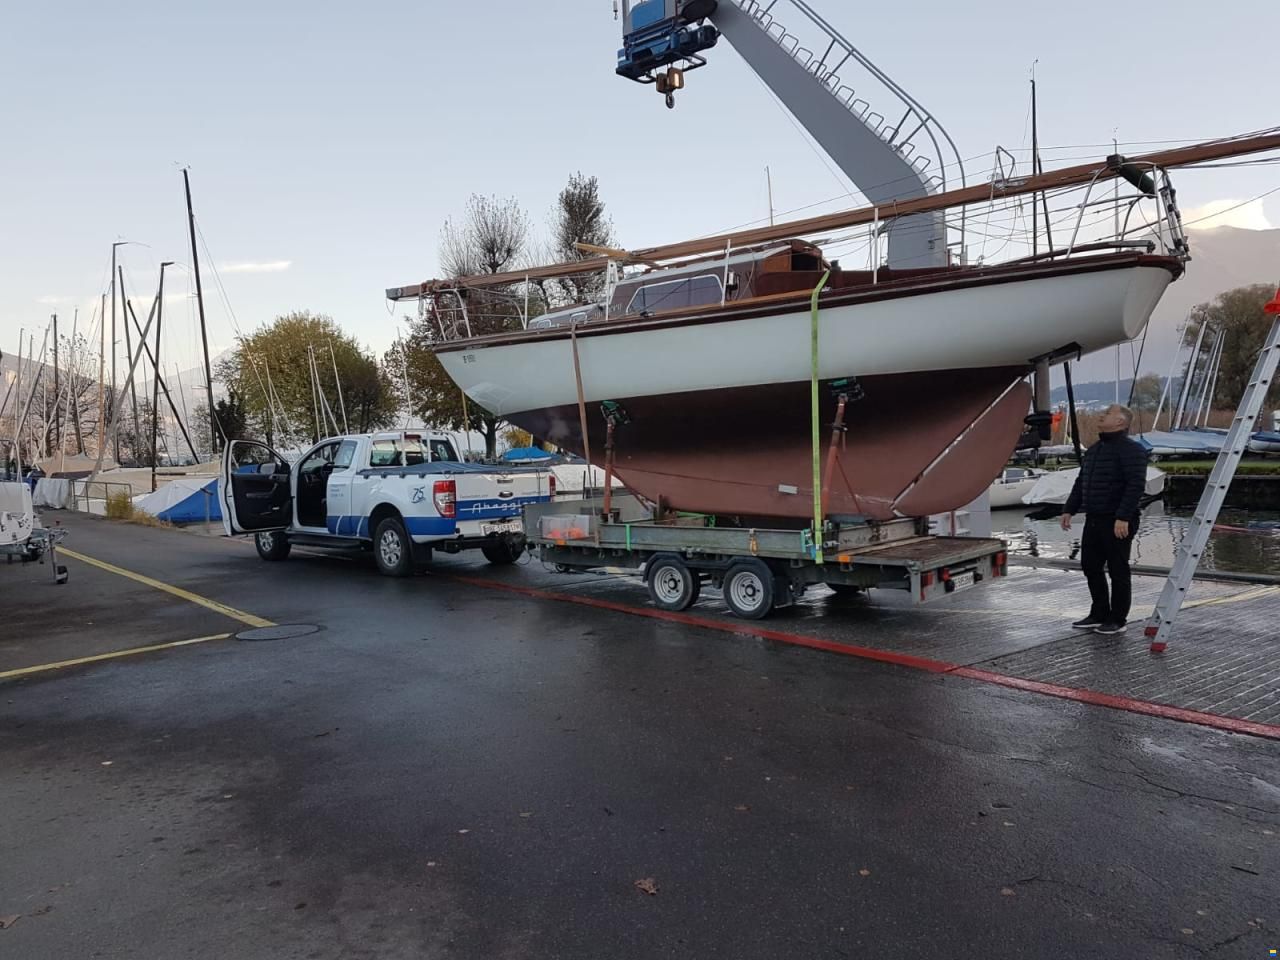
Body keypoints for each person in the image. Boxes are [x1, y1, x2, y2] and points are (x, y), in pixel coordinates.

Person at [1060, 403, 1149, 635]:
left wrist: (1123, 516)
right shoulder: (1094, 449)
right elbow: (1082, 482)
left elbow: (1135, 486)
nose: (1102, 415)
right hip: (1094, 518)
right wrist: (1069, 509)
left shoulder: (1133, 450)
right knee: (1090, 566)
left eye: (1108, 413)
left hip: (1118, 520)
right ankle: (1098, 612)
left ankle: (1118, 619)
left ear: (1121, 422)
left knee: (1118, 569)